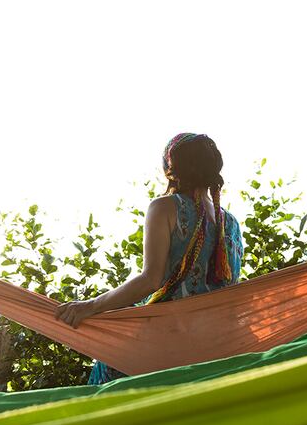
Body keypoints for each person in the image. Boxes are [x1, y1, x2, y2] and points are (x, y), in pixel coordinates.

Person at [54, 132, 244, 384]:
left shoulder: (164, 207)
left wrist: (91, 306)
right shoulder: (230, 223)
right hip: (215, 350)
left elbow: (150, 280)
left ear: (171, 169)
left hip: (165, 343)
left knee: (109, 386)